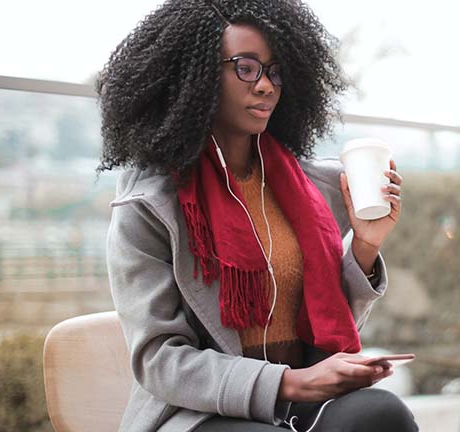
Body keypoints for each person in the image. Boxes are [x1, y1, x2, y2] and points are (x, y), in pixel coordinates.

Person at [96, 1, 416, 431]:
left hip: (299, 398)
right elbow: (160, 360)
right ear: (196, 77)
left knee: (383, 414)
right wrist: (288, 383)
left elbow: (328, 323)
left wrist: (365, 245)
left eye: (275, 70)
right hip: (200, 413)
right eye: (246, 68)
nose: (266, 85)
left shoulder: (307, 188)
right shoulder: (150, 204)